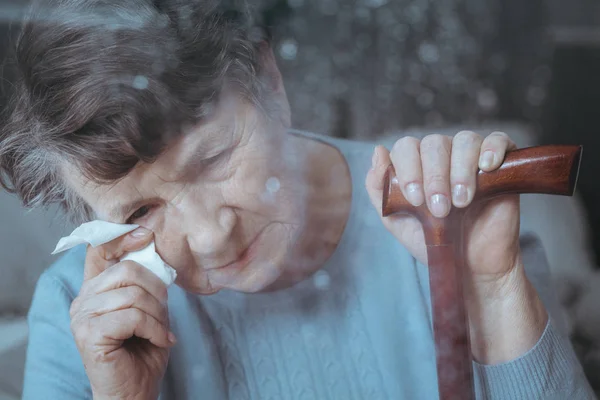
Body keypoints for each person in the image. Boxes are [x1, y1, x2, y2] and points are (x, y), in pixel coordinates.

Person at [0, 0, 594, 399]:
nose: (210, 235)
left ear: (269, 84)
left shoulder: (441, 215)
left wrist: (492, 288)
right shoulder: (79, 313)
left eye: (211, 160)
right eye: (137, 213)